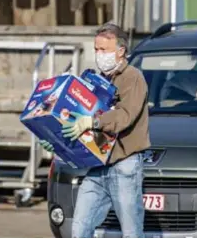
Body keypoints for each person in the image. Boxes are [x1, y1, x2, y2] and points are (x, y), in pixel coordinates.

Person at [39, 23, 150, 237]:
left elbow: (124, 116)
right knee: (80, 229)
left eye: (104, 50)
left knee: (131, 233)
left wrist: (92, 122)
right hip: (98, 167)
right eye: (96, 49)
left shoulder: (132, 78)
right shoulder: (99, 80)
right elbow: (80, 120)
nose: (99, 55)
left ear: (121, 51)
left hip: (125, 166)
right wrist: (56, 140)